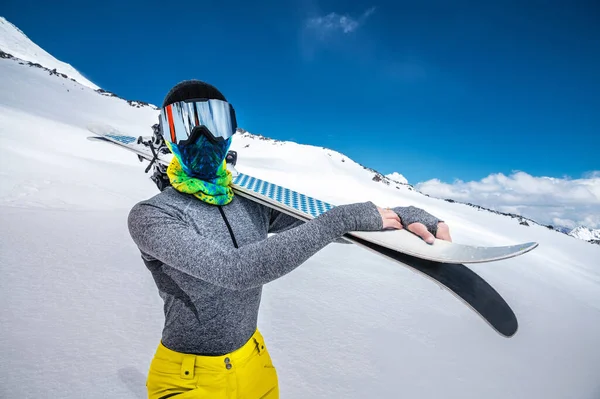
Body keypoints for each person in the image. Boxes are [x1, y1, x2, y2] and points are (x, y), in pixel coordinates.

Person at [127, 80, 452, 399]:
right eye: (184, 126)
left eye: (215, 122)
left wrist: (398, 216)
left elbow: (318, 227)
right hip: (189, 379)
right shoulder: (152, 216)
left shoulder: (248, 202)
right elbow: (235, 271)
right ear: (168, 138)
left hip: (255, 364)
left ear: (230, 130)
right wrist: (345, 218)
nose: (202, 137)